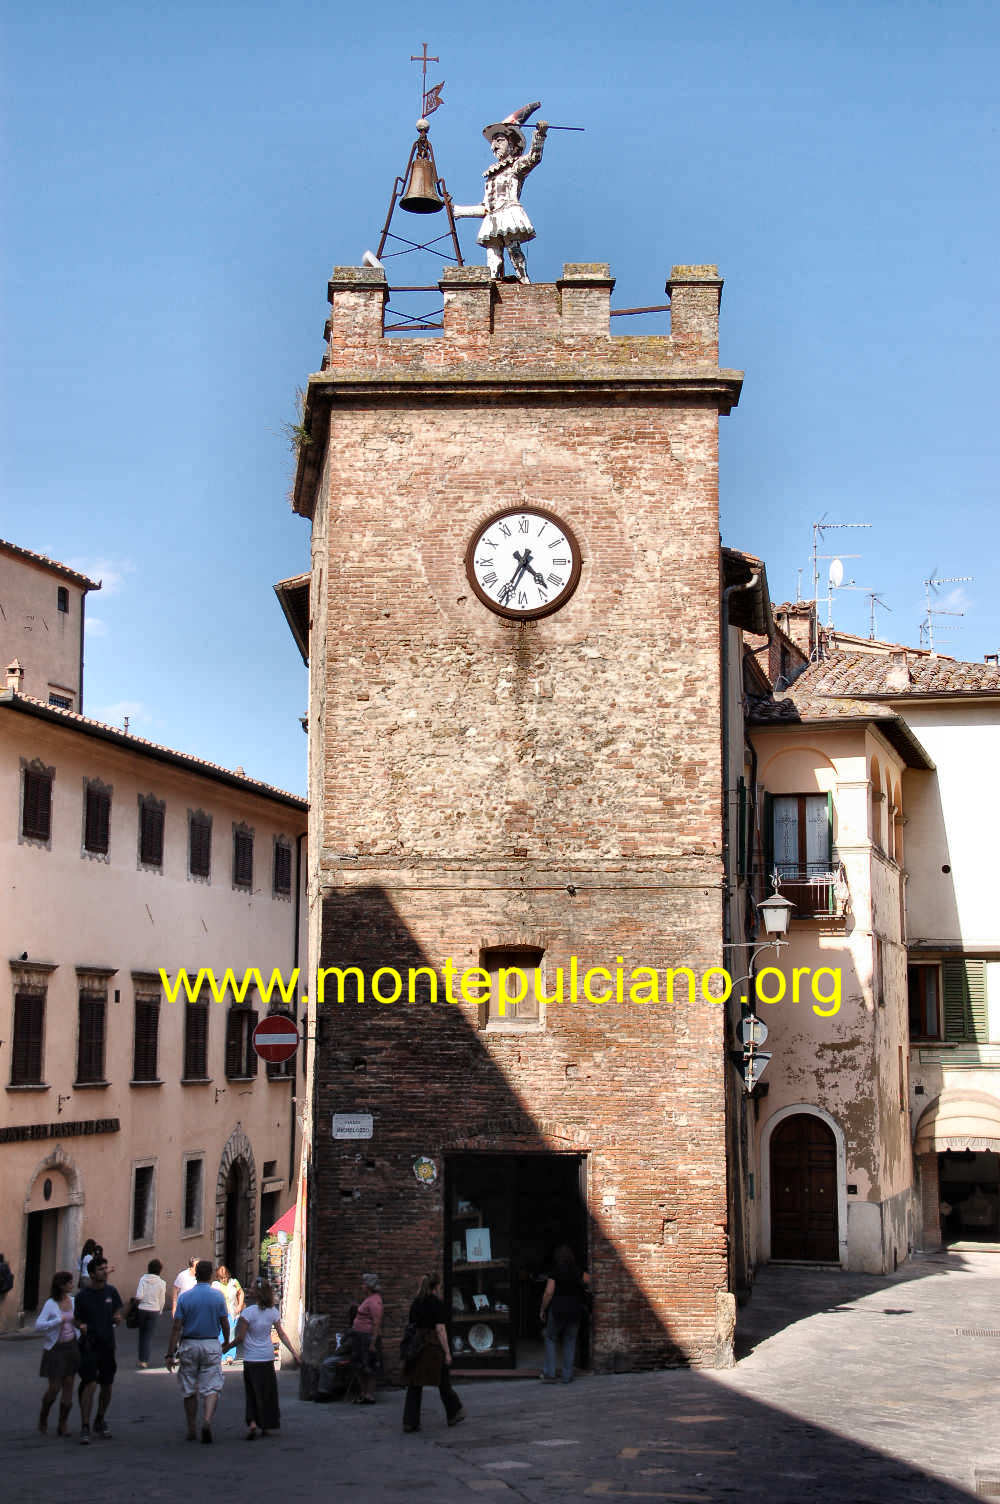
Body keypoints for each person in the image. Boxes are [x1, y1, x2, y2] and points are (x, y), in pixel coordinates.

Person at [453, 103, 548, 283]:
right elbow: (486, 208)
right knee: (492, 253)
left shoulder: (515, 167)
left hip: (509, 212)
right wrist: (459, 210)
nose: (494, 146)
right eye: (493, 142)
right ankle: (492, 284)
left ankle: (523, 280)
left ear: (512, 144)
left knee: (513, 248)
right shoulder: (490, 176)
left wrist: (540, 135)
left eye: (499, 140)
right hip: (493, 218)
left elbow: (534, 158)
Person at [165, 1258, 229, 1443]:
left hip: (189, 1344)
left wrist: (170, 1353)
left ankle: (191, 1427)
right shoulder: (217, 1297)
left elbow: (176, 1327)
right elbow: (224, 1322)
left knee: (189, 1388)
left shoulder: (186, 1297)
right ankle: (207, 1420)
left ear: (196, 1274)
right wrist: (226, 1342)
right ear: (210, 1275)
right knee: (212, 1386)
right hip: (210, 1343)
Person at [228, 1278, 299, 1439]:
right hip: (267, 1358)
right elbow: (281, 1334)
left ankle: (252, 1422)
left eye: (252, 1288)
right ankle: (266, 1424)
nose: (250, 1290)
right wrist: (294, 1352)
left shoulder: (248, 1313)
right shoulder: (273, 1312)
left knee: (252, 1391)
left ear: (257, 1293)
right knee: (267, 1392)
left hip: (252, 1359)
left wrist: (226, 1348)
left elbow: (241, 1337)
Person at [401, 1274, 464, 1434]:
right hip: (432, 1346)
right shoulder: (436, 1303)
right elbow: (440, 1330)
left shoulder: (416, 1302)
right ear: (436, 1287)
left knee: (414, 1385)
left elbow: (411, 1326)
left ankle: (410, 1421)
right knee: (443, 1381)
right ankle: (454, 1412)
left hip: (417, 1346)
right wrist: (448, 1352)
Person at [75, 1256, 123, 1443]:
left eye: (106, 1268)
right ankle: (85, 1425)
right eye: (101, 1269)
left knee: (107, 1384)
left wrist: (118, 1317)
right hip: (89, 1345)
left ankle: (100, 1418)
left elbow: (117, 1313)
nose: (105, 1271)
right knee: (90, 1383)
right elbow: (76, 1318)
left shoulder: (112, 1292)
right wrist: (81, 1326)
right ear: (93, 1273)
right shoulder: (82, 1296)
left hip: (107, 1345)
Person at [36, 1271, 81, 1436]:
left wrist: (81, 1326)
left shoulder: (74, 1301)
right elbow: (38, 1325)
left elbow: (79, 1320)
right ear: (61, 1285)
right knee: (54, 1388)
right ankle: (44, 1415)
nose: (72, 1285)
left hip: (71, 1346)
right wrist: (57, 1321)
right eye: (69, 1282)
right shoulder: (50, 1304)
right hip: (55, 1349)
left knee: (69, 1385)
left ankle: (63, 1423)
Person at [539, 1244, 590, 1384]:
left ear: (557, 1257)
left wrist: (543, 1309)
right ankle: (567, 1376)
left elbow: (549, 1292)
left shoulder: (554, 1272)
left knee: (550, 1338)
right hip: (574, 1310)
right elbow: (590, 1280)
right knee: (570, 1341)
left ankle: (550, 1373)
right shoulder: (576, 1271)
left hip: (557, 1311)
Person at [350, 1272, 383, 1404]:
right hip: (360, 1337)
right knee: (360, 1365)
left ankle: (369, 1394)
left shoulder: (375, 1301)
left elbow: (377, 1322)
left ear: (369, 1286)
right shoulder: (368, 1299)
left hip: (367, 1337)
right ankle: (364, 1393)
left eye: (363, 1284)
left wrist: (373, 1343)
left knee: (369, 1365)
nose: (361, 1286)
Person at [135, 1258, 166, 1368]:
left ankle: (141, 1358)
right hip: (154, 1310)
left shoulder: (143, 1279)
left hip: (142, 1309)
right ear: (159, 1270)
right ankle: (145, 1360)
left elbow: (139, 1296)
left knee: (142, 1335)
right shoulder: (162, 1283)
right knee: (148, 1336)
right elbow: (162, 1299)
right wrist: (160, 1310)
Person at [212, 1263, 244, 1364]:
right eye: (222, 1278)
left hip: (232, 1312)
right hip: (219, 1313)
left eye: (225, 1277)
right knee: (221, 1334)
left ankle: (230, 1356)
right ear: (218, 1277)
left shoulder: (234, 1282)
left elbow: (241, 1293)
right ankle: (222, 1356)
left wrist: (240, 1305)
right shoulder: (215, 1285)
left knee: (231, 1333)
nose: (224, 1280)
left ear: (228, 1275)